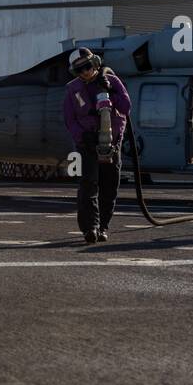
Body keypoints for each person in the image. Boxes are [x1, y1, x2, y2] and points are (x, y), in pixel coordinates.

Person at [62, 47, 132, 244]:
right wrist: (82, 136)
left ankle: (103, 227)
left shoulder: (112, 81)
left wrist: (109, 90)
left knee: (109, 188)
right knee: (88, 185)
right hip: (87, 144)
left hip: (112, 143)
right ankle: (89, 228)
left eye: (87, 66)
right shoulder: (72, 89)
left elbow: (126, 108)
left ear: (94, 63)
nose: (85, 72)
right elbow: (69, 119)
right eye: (79, 70)